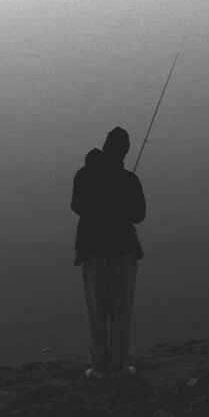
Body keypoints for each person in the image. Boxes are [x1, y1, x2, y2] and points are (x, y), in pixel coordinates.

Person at [71, 126, 146, 378]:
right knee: (121, 312)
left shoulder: (83, 175)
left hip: (92, 251)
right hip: (122, 252)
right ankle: (118, 365)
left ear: (104, 146)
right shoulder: (129, 180)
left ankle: (99, 366)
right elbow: (139, 215)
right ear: (124, 152)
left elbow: (76, 206)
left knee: (96, 312)